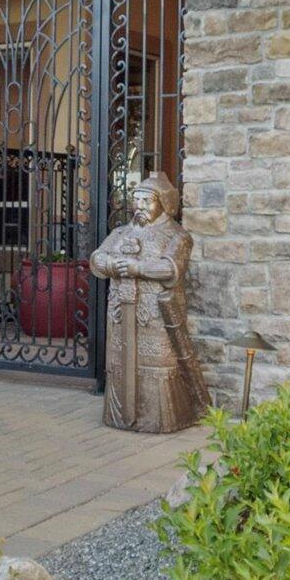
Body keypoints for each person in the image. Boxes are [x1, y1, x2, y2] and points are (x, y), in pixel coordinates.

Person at [87, 173, 207, 433]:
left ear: (163, 203)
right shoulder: (120, 232)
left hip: (155, 313)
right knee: (121, 361)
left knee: (158, 363)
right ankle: (120, 416)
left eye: (147, 201)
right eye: (136, 200)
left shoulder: (177, 236)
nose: (139, 206)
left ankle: (160, 418)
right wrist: (110, 264)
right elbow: (97, 258)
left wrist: (137, 267)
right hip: (120, 312)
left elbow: (171, 268)